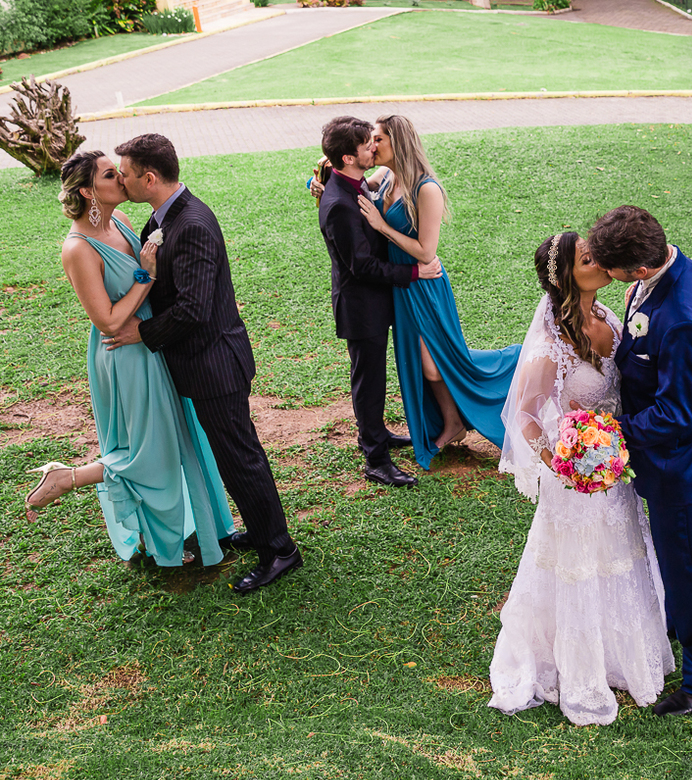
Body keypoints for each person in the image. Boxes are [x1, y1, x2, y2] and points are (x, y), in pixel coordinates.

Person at [488, 232, 674, 726]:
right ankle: (578, 666)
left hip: (617, 470)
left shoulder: (611, 315)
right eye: (588, 258)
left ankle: (622, 654)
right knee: (579, 569)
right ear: (568, 277)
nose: (600, 260)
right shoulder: (552, 344)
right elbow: (525, 417)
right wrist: (564, 461)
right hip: (578, 480)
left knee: (621, 559)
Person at [105, 133, 301, 594]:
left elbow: (193, 309)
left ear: (149, 178)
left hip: (214, 365)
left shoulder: (190, 223)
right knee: (236, 456)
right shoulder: (164, 216)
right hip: (206, 361)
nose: (123, 181)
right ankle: (261, 529)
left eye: (127, 174)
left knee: (241, 458)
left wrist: (141, 332)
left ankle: (280, 550)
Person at [23, 150, 236, 568]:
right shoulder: (78, 248)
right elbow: (107, 321)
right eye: (109, 174)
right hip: (125, 355)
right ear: (88, 190)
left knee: (175, 438)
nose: (121, 177)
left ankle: (185, 532)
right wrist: (147, 276)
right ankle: (70, 478)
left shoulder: (119, 221)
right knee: (147, 451)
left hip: (151, 343)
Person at [590, 206, 692, 717]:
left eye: (614, 274)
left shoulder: (684, 320)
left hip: (685, 467)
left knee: (691, 571)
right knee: (677, 565)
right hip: (670, 462)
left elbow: (676, 413)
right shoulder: (664, 272)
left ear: (642, 270)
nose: (610, 281)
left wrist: (607, 434)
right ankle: (674, 629)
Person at [357, 114, 522, 469]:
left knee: (437, 365)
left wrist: (382, 226)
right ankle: (453, 423)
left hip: (425, 285)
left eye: (378, 140)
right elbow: (353, 179)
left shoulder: (426, 189)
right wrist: (319, 177)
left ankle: (512, 364)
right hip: (403, 284)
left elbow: (426, 251)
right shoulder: (385, 176)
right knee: (424, 363)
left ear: (397, 142)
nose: (372, 146)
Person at [317, 116, 442, 488]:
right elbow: (361, 266)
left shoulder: (352, 182)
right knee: (368, 381)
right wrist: (414, 274)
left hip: (374, 303)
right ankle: (375, 458)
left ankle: (377, 434)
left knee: (372, 377)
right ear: (348, 157)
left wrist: (317, 178)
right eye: (365, 144)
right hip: (361, 306)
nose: (372, 147)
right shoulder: (340, 202)